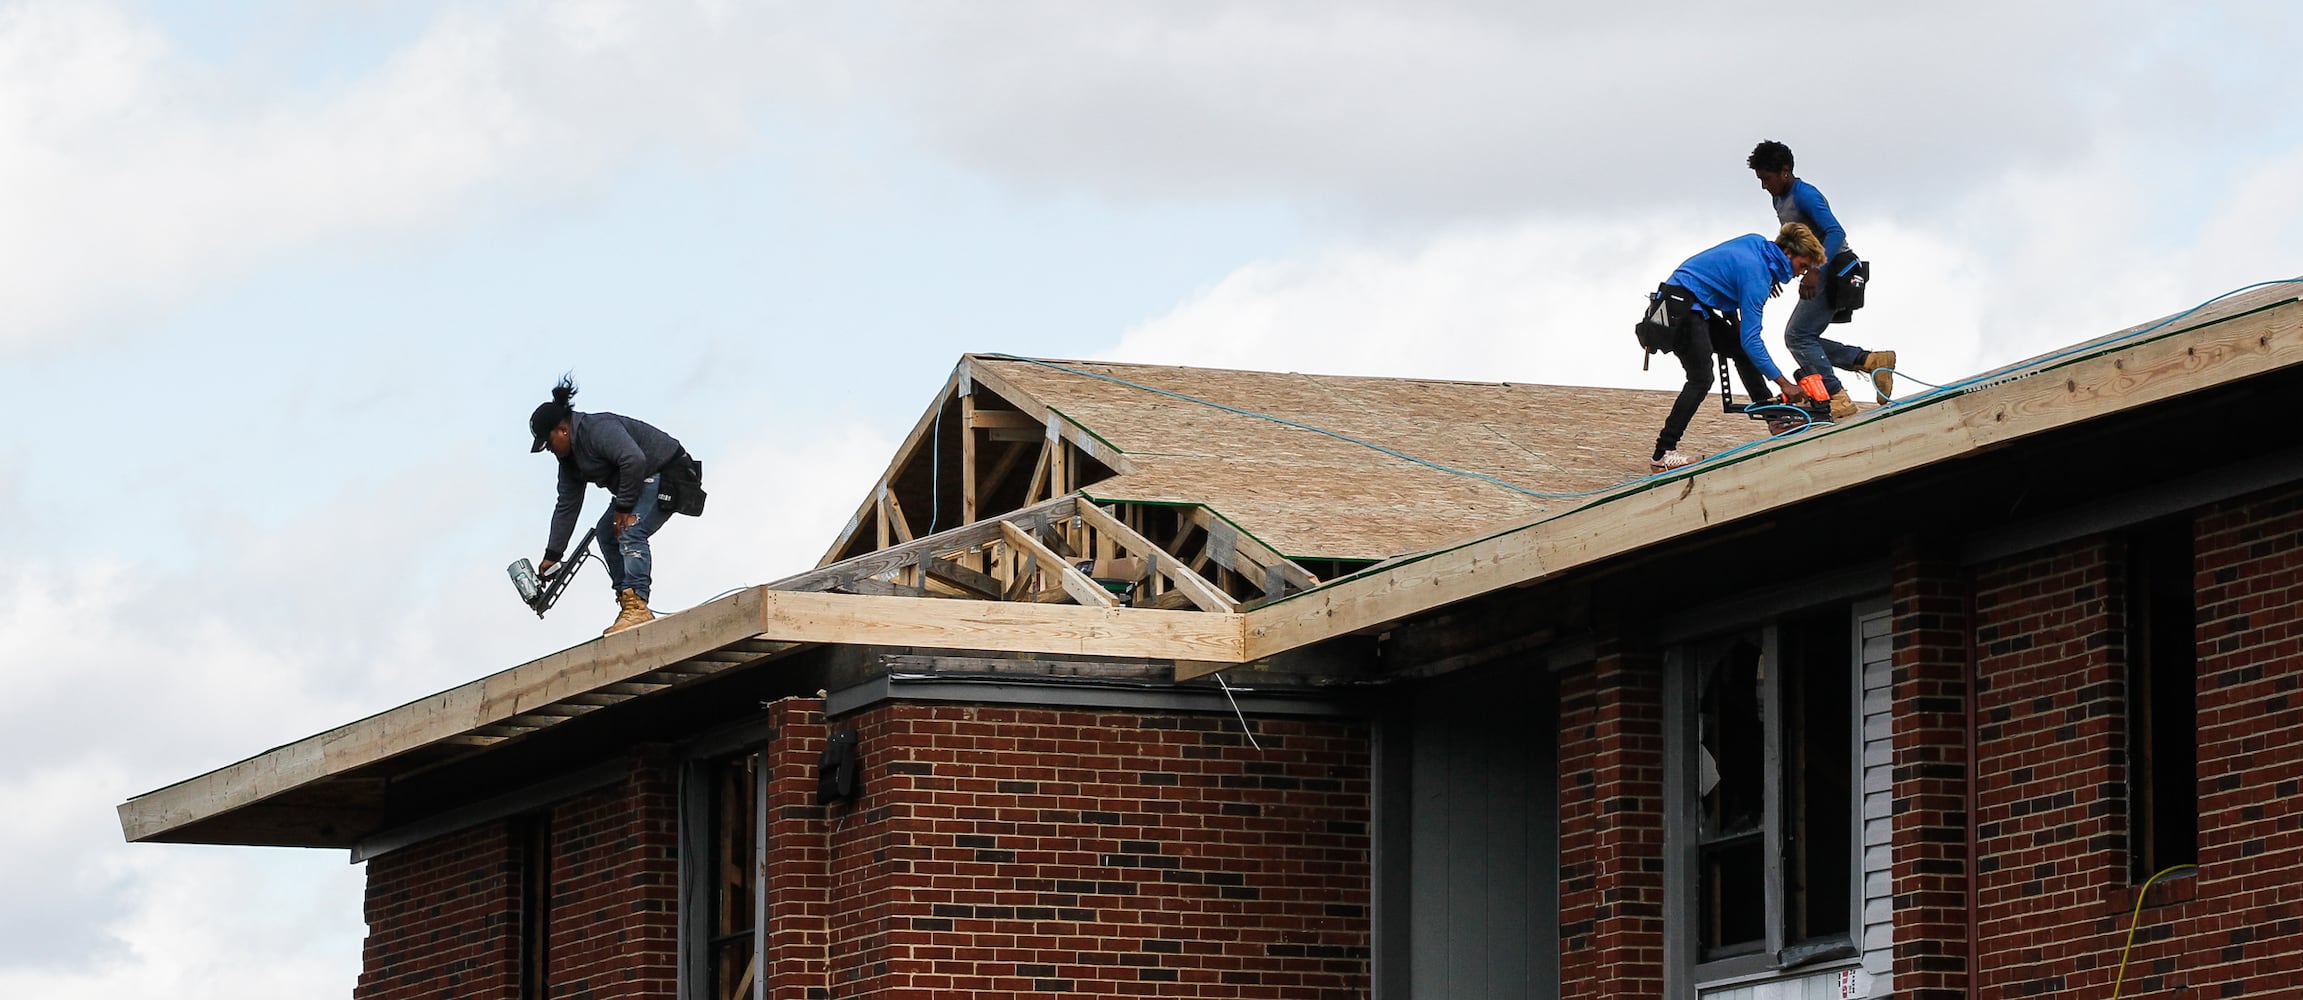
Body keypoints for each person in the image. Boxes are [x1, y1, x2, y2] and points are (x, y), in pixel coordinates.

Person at [1643, 222, 1828, 472]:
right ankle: (1662, 454)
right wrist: (1784, 384)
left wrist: (1734, 322)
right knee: (1701, 379)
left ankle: (1774, 419)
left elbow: (1723, 277)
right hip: (1682, 308)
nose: (1801, 274)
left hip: (1693, 301)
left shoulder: (1757, 244)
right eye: (1802, 266)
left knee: (1741, 350)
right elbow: (1752, 339)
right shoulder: (1758, 277)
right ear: (1787, 254)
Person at [529, 377, 694, 635]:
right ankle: (626, 600)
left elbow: (633, 460)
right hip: (640, 481)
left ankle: (638, 604)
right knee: (607, 533)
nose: (549, 449)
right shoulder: (569, 462)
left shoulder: (597, 429)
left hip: (668, 472)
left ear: (562, 429)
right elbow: (567, 506)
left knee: (628, 528)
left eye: (548, 442)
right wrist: (553, 554)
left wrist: (624, 506)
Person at [1747, 140, 1896, 416]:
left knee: (1797, 336)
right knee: (1805, 338)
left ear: (1785, 171)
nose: (1764, 186)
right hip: (1823, 269)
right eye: (1760, 179)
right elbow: (1793, 238)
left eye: (1767, 178)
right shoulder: (1778, 197)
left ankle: (1838, 398)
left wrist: (1815, 269)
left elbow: (1836, 232)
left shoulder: (1806, 195)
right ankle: (1871, 360)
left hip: (1836, 269)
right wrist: (1776, 269)